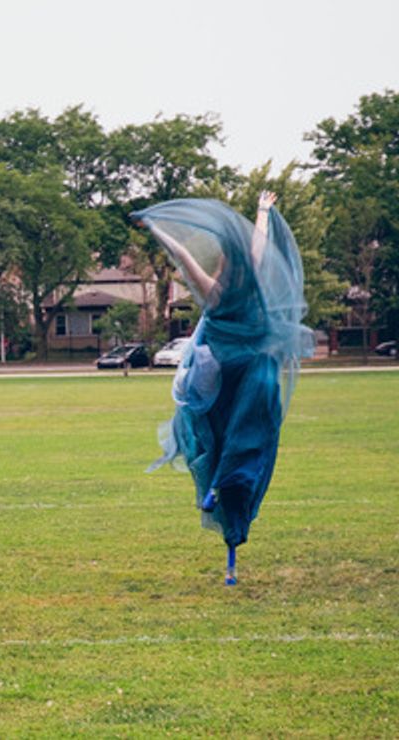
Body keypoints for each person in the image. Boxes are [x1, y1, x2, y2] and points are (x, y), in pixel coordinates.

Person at [135, 193, 313, 586]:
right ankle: (219, 493)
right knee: (231, 436)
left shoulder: (233, 289)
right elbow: (201, 256)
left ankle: (222, 504)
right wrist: (160, 228)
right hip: (229, 376)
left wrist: (262, 214)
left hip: (235, 374)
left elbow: (244, 250)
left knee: (238, 433)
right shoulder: (232, 291)